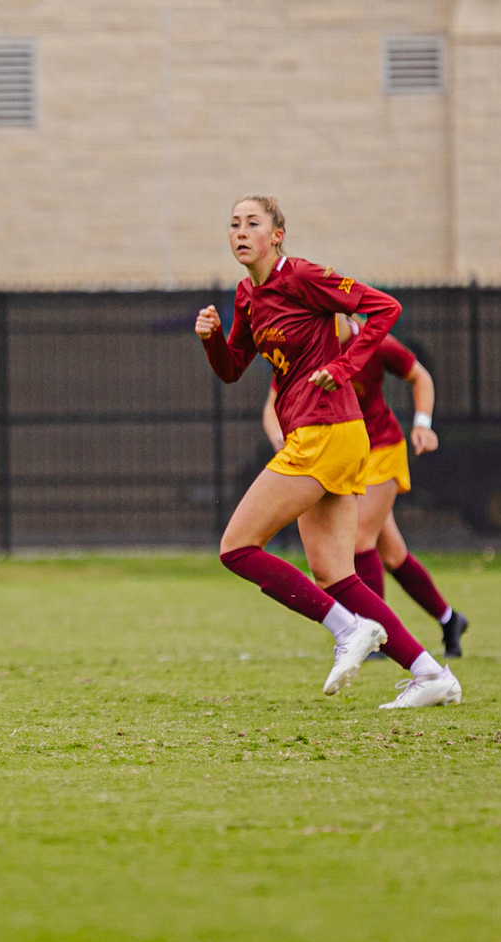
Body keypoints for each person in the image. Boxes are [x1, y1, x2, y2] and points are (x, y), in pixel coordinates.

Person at [196, 195, 462, 709]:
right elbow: (232, 368)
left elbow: (385, 308)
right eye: (233, 224)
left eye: (253, 222)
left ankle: (347, 630)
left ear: (277, 234)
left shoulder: (302, 276)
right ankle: (431, 674)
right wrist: (210, 340)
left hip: (327, 431)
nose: (240, 231)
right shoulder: (247, 296)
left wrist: (342, 367)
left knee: (236, 547)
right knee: (336, 575)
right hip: (322, 435)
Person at [261, 319, 467, 657]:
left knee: (359, 541)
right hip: (339, 456)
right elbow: (272, 405)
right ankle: (449, 619)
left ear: (345, 315)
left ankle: (374, 634)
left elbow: (421, 377)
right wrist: (278, 436)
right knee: (393, 554)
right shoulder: (306, 347)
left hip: (381, 449)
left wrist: (423, 424)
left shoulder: (375, 343)